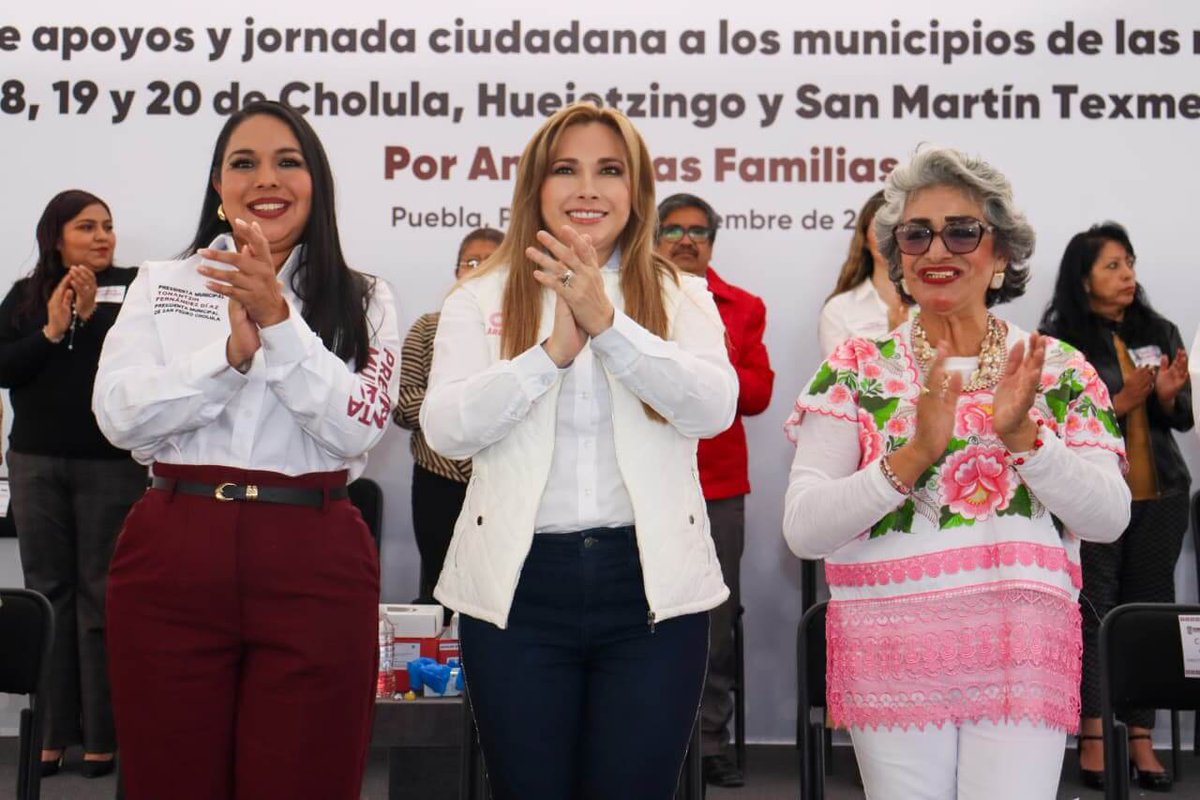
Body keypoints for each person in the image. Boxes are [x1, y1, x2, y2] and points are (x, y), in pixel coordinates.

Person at [782, 146, 1131, 800]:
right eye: (916, 234)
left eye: (963, 231)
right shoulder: (855, 369)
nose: (937, 249)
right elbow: (804, 530)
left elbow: (1108, 518)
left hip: (1021, 650)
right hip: (891, 653)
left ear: (1001, 255)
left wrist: (1026, 440)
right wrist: (913, 454)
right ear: (898, 258)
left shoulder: (1056, 368)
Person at [421, 103, 737, 799]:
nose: (588, 189)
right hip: (519, 591)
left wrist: (609, 327)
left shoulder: (682, 294)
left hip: (651, 593)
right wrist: (551, 354)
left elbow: (714, 408)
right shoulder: (479, 296)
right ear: (535, 185)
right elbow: (445, 429)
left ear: (637, 189)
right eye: (566, 169)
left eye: (609, 170)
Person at [92, 101, 400, 800]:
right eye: (244, 163)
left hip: (314, 555)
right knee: (169, 776)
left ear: (317, 183)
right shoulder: (163, 284)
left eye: (288, 161)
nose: (267, 179)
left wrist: (278, 322)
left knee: (305, 776)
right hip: (173, 550)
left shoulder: (366, 297)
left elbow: (358, 428)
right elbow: (119, 418)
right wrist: (228, 358)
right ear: (218, 186)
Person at [1040, 222, 1193, 791]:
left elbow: (1181, 418)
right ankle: (1094, 735)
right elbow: (1051, 423)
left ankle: (1140, 738)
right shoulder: (1060, 342)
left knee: (1150, 610)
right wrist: (1118, 403)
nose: (1127, 274)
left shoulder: (1159, 330)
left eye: (1129, 263)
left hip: (1162, 492)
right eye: (1112, 265)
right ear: (1083, 279)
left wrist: (1171, 398)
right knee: (1096, 609)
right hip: (1092, 495)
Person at [0, 190, 146, 778]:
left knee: (102, 598)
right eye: (87, 226)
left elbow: (138, 366)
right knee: (48, 594)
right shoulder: (26, 295)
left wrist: (87, 321)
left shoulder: (136, 291)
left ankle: (102, 735)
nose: (102, 236)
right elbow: (5, 367)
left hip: (111, 465)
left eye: (107, 225)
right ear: (56, 237)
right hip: (36, 464)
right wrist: (53, 329)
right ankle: (51, 732)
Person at [654, 192, 773, 788]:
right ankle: (648, 740)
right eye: (673, 229)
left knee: (715, 621)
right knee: (641, 613)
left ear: (712, 242)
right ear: (653, 238)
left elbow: (756, 394)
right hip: (643, 481)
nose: (685, 239)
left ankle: (708, 741)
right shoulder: (628, 299)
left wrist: (709, 357)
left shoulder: (742, 307)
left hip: (717, 486)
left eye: (697, 231)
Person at [393, 227, 503, 602]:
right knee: (440, 584)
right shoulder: (428, 328)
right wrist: (463, 408)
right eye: (471, 261)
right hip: (438, 478)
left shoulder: (525, 327)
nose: (479, 269)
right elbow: (403, 402)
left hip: (502, 477)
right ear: (456, 271)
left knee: (498, 589)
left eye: (492, 262)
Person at [818, 189, 909, 357]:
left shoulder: (937, 303)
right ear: (865, 239)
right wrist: (894, 338)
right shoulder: (839, 309)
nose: (891, 239)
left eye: (900, 228)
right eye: (881, 229)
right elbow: (839, 374)